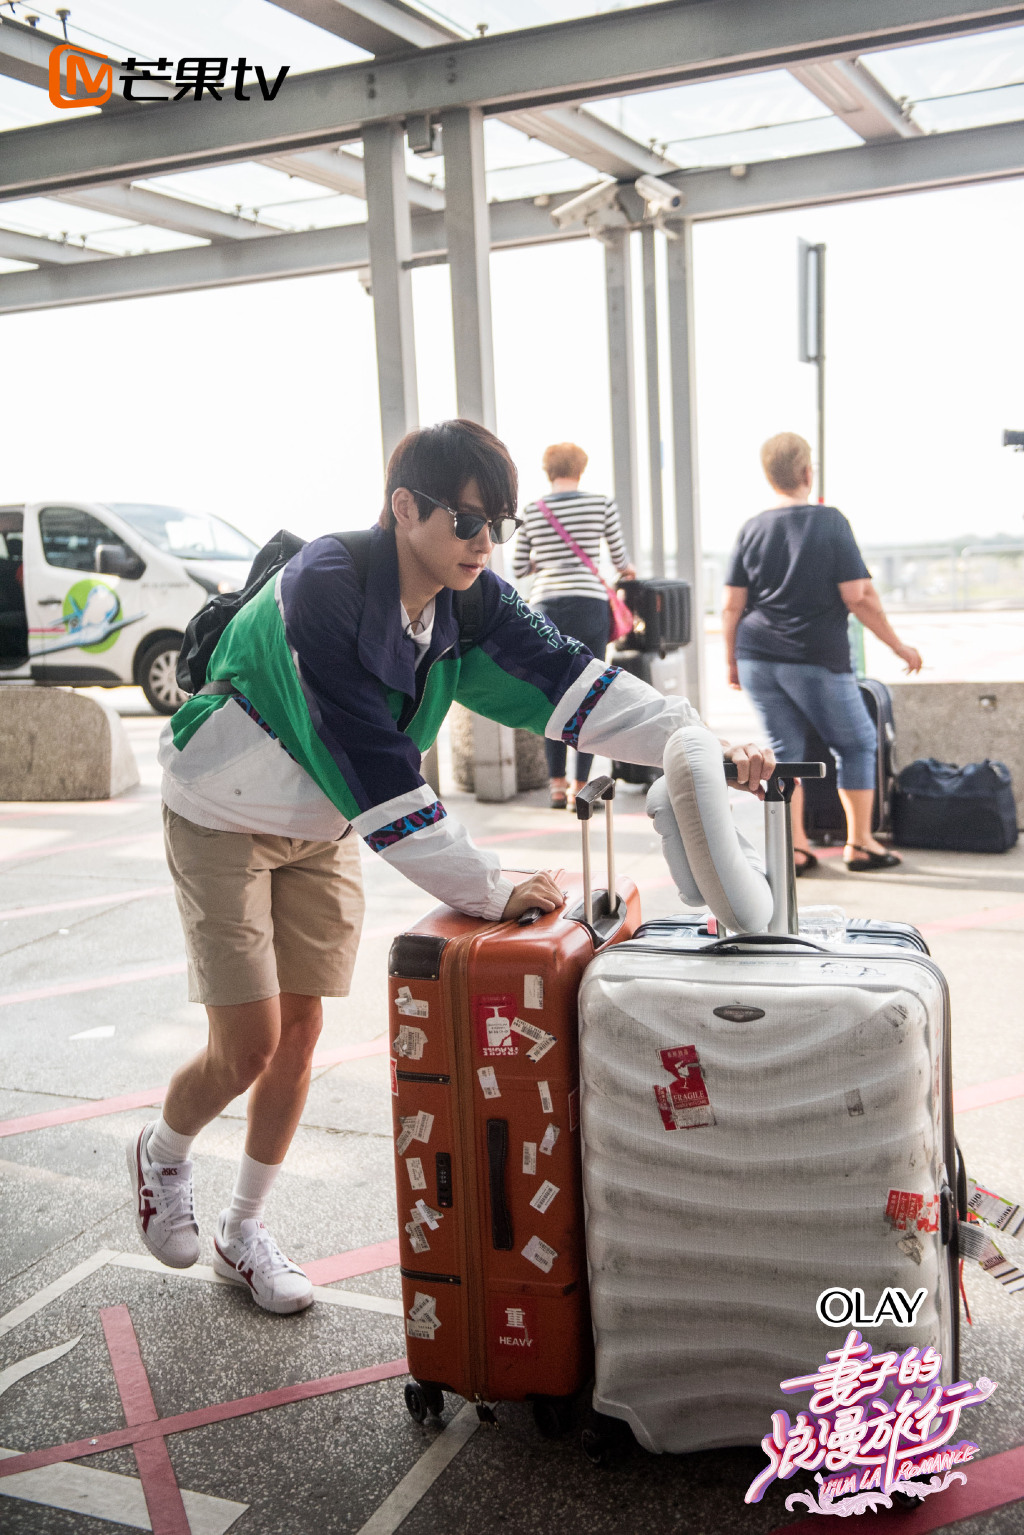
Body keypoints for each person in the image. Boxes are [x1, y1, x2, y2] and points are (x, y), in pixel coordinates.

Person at [133, 419, 772, 1315]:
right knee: (249, 1045)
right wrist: (492, 887)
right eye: (468, 522)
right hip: (222, 811)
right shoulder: (323, 585)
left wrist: (693, 736)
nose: (485, 543)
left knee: (303, 1033)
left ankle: (244, 1231)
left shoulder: (471, 598)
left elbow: (573, 682)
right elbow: (376, 773)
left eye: (498, 525)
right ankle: (163, 1154)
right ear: (405, 506)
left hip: (322, 826)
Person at [721, 431, 923, 875]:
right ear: (807, 472)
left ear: (768, 475)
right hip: (814, 656)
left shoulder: (751, 527)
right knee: (857, 743)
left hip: (758, 656)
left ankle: (795, 848)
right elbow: (858, 596)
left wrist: (733, 661)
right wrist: (898, 645)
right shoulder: (830, 521)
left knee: (783, 752)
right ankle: (861, 843)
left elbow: (732, 604)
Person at [513, 442, 635, 808]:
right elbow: (620, 559)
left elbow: (519, 567)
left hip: (546, 603)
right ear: (581, 469)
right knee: (590, 690)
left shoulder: (534, 510)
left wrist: (548, 563)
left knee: (551, 693)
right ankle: (582, 786)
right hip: (589, 605)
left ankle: (555, 784)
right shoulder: (600, 504)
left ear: (547, 470)